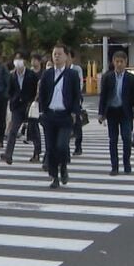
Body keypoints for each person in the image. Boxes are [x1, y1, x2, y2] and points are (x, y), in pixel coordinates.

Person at [38, 43, 82, 188]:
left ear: (66, 57)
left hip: (65, 115)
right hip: (50, 115)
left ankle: (63, 166)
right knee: (50, 148)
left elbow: (77, 95)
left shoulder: (72, 74)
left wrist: (75, 112)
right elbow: (42, 94)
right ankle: (54, 177)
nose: (56, 56)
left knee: (62, 145)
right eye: (54, 54)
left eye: (59, 54)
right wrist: (42, 111)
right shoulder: (47, 74)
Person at [98, 51, 134, 175]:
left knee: (127, 138)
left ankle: (127, 163)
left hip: (125, 112)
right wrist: (101, 113)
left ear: (126, 62)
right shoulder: (107, 77)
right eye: (117, 61)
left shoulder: (132, 79)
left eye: (121, 61)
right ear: (113, 62)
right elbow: (103, 96)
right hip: (112, 112)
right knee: (113, 140)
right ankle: (114, 166)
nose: (119, 64)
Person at [1, 51, 39, 165]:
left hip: (29, 106)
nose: (17, 62)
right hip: (17, 106)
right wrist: (11, 99)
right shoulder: (12, 75)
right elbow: (9, 90)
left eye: (20, 60)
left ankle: (37, 152)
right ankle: (8, 154)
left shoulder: (31, 75)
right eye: (16, 60)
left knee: (34, 130)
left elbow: (35, 90)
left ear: (24, 62)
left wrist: (34, 101)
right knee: (13, 130)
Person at [68, 48, 85, 156]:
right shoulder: (60, 69)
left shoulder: (76, 69)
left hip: (75, 99)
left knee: (77, 123)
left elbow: (80, 84)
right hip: (64, 101)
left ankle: (78, 146)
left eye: (68, 56)